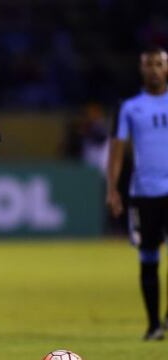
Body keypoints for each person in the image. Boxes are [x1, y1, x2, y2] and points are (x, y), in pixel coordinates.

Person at [107, 47, 168, 341]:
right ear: (142, 69)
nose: (154, 69)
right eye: (149, 64)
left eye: (159, 64)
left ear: (166, 68)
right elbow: (117, 151)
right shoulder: (130, 107)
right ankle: (154, 324)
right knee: (148, 257)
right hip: (144, 194)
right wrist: (113, 189)